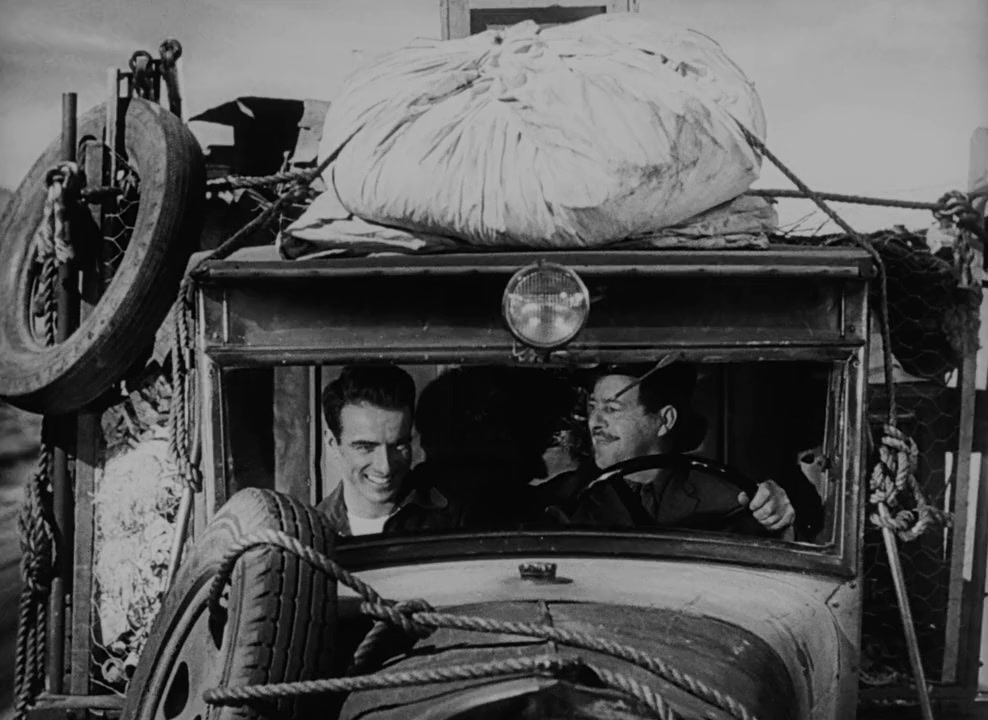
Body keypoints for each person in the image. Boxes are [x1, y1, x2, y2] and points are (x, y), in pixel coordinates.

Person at [539, 362, 821, 537]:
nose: (594, 423)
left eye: (612, 409)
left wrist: (779, 514)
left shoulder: (730, 498)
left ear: (665, 420)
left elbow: (787, 540)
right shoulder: (563, 498)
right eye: (593, 408)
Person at [315, 364, 461, 536]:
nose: (384, 467)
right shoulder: (313, 533)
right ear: (332, 443)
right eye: (366, 447)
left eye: (398, 445)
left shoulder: (455, 514)